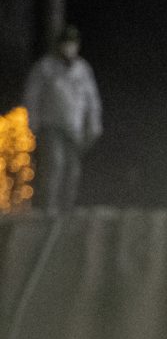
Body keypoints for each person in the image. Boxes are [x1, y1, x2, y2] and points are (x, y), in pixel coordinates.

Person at [22, 25, 103, 213]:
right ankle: (49, 207)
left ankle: (67, 208)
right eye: (66, 43)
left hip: (74, 127)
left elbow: (92, 99)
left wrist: (94, 125)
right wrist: (33, 123)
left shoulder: (83, 70)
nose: (69, 47)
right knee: (54, 165)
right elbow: (31, 97)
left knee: (72, 169)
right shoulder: (45, 67)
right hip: (50, 126)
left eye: (72, 43)